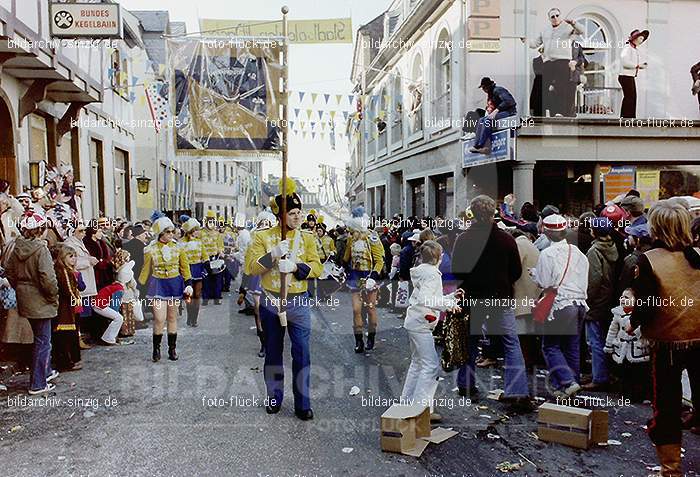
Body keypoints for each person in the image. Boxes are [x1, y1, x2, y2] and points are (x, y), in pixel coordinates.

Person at [630, 200, 700, 476]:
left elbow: (645, 305)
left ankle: (671, 469)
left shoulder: (649, 260)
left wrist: (634, 322)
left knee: (668, 406)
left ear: (655, 227)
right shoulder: (696, 254)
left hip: (667, 342)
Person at [246, 179, 322, 420]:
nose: (298, 217)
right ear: (280, 215)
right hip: (271, 301)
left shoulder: (307, 237)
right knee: (273, 352)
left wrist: (298, 267)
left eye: (299, 212)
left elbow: (317, 267)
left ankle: (303, 404)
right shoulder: (261, 237)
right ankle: (274, 397)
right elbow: (250, 268)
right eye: (292, 213)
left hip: (298, 301)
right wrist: (273, 255)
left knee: (302, 352)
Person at [451, 195, 531, 410]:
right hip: (500, 297)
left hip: (474, 297)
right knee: (510, 342)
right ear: (494, 213)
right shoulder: (506, 239)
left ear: (473, 214)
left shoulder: (464, 239)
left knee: (470, 341)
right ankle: (517, 391)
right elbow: (516, 270)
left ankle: (466, 385)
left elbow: (457, 270)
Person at [401, 241, 462, 422]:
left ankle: (406, 403)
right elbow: (426, 298)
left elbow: (429, 296)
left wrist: (450, 297)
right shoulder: (433, 274)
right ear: (439, 257)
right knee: (430, 366)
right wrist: (449, 304)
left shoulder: (422, 271)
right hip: (421, 323)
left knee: (418, 363)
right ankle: (420, 409)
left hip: (415, 321)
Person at [532, 214, 589, 398]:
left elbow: (545, 282)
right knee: (571, 346)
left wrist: (535, 275)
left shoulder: (547, 254)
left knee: (550, 346)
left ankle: (567, 381)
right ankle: (567, 387)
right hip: (580, 303)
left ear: (546, 232)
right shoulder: (578, 252)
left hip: (560, 304)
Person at [6, 213, 60, 395]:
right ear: (40, 230)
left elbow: (9, 273)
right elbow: (48, 279)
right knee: (43, 341)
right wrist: (53, 297)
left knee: (39, 339)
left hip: (24, 296)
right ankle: (38, 383)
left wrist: (21, 289)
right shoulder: (41, 249)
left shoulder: (16, 247)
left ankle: (45, 373)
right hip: (41, 298)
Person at [138, 214, 193, 362]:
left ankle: (172, 349)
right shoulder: (150, 250)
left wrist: (188, 284)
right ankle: (156, 349)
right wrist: (139, 287)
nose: (171, 234)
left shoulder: (178, 248)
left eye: (172, 231)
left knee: (172, 317)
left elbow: (185, 268)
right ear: (160, 233)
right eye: (167, 232)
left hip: (174, 285)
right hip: (158, 285)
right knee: (159, 318)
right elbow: (145, 270)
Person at [523, 8, 584, 116]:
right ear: (549, 19)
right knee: (543, 86)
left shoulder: (567, 27)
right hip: (548, 61)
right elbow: (535, 44)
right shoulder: (545, 30)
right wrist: (525, 40)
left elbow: (581, 31)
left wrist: (574, 23)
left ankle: (559, 111)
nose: (555, 18)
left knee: (561, 87)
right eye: (552, 16)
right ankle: (544, 111)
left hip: (562, 60)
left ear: (560, 16)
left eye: (557, 15)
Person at [583, 217, 618, 391]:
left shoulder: (594, 251)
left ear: (594, 232)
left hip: (596, 302)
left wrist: (587, 300)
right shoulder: (613, 247)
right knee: (603, 338)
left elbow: (593, 280)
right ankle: (600, 372)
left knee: (594, 340)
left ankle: (599, 377)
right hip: (607, 298)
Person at [343, 207, 385, 353]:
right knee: (356, 310)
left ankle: (371, 338)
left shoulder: (372, 237)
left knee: (371, 308)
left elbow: (380, 260)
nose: (353, 234)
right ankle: (359, 341)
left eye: (354, 231)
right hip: (355, 277)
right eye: (352, 231)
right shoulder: (351, 239)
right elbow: (346, 258)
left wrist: (373, 277)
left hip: (369, 277)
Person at [604, 288, 650, 402]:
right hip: (622, 348)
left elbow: (647, 331)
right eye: (622, 297)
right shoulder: (617, 313)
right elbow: (612, 330)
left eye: (627, 297)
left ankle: (639, 395)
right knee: (624, 372)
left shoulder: (640, 314)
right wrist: (609, 345)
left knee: (639, 373)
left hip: (637, 349)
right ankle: (625, 394)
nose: (623, 299)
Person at [64, 224, 97, 349]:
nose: (83, 233)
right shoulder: (69, 243)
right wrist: (89, 261)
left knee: (83, 313)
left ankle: (81, 338)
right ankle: (78, 340)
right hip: (78, 282)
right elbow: (72, 262)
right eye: (80, 230)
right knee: (78, 314)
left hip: (85, 281)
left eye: (84, 230)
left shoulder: (79, 242)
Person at [52, 244, 82, 371]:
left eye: (74, 256)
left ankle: (69, 360)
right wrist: (75, 301)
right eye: (70, 256)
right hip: (65, 307)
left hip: (67, 305)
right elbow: (68, 289)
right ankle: (66, 362)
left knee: (68, 334)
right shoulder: (64, 271)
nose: (73, 259)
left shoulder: (66, 270)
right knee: (66, 335)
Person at [469, 77, 517, 155]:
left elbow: (509, 101)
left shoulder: (498, 90)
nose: (483, 90)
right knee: (481, 120)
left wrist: (496, 110)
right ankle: (477, 145)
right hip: (501, 112)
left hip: (509, 112)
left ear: (487, 87)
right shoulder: (491, 94)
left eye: (483, 88)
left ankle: (482, 145)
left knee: (487, 120)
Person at [178, 215, 207, 327]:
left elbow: (204, 255)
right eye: (195, 230)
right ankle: (190, 316)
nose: (197, 232)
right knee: (188, 295)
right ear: (190, 231)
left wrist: (207, 264)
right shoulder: (180, 243)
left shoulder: (199, 242)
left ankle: (194, 318)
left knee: (197, 295)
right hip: (186, 271)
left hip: (198, 270)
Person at [619, 29, 649, 118]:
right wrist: (638, 66)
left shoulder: (633, 49)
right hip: (625, 76)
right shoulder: (627, 48)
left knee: (632, 96)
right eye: (640, 39)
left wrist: (639, 66)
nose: (641, 41)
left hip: (629, 76)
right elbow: (624, 62)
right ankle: (626, 116)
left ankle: (630, 116)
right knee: (630, 96)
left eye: (642, 40)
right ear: (634, 38)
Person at [200, 210, 225, 306]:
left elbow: (220, 245)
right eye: (209, 219)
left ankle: (217, 298)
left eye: (212, 220)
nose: (211, 222)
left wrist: (221, 251)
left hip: (216, 258)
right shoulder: (201, 233)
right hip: (205, 259)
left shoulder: (217, 233)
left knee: (217, 279)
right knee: (206, 279)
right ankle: (205, 299)